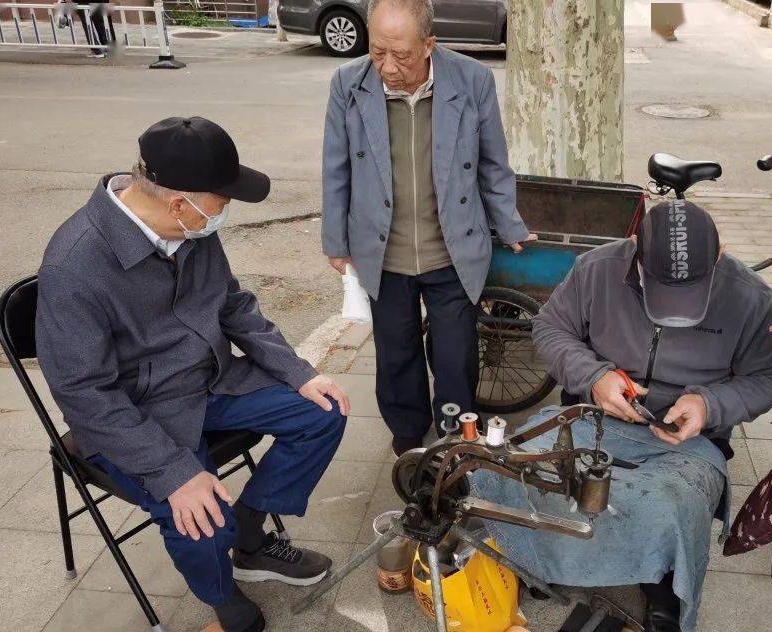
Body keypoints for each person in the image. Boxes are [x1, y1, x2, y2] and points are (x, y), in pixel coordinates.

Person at [36, 116, 348, 632]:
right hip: (139, 412)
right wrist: (172, 473)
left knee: (325, 408)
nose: (223, 214)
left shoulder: (187, 226)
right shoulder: (75, 264)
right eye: (221, 202)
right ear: (180, 202)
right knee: (200, 518)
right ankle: (221, 596)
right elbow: (83, 393)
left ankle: (249, 536)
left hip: (212, 380)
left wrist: (298, 373)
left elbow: (233, 306)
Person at [471, 200, 772, 632]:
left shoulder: (750, 297)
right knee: (508, 470)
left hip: (688, 440)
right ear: (634, 248)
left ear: (718, 256)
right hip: (589, 416)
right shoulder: (596, 269)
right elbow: (550, 327)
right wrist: (595, 376)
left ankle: (659, 586)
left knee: (669, 505)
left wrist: (709, 404)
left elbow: (771, 377)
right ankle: (534, 559)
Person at [321, 0, 536, 455]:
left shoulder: (472, 80)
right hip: (383, 248)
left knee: (456, 354)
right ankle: (406, 428)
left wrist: (510, 225)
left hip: (451, 248)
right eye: (377, 51)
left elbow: (494, 164)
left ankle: (456, 430)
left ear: (429, 45)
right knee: (396, 350)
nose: (387, 66)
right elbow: (336, 168)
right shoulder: (349, 83)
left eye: (400, 54)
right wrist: (336, 243)